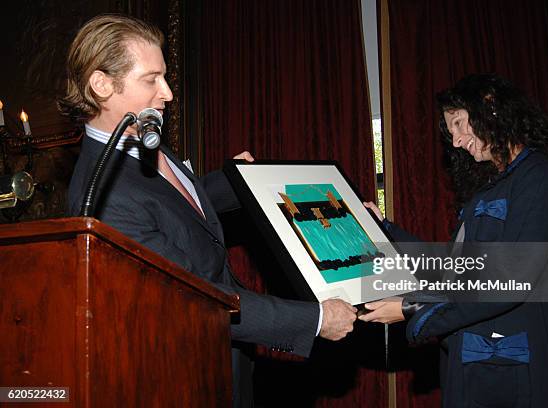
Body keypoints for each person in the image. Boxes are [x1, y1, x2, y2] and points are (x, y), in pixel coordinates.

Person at [60, 14, 356, 407]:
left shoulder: (137, 135)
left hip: (224, 359)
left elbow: (174, 209)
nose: (166, 92)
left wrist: (237, 181)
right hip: (190, 373)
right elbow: (197, 297)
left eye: (164, 77)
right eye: (150, 79)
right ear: (101, 86)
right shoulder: (103, 197)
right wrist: (315, 320)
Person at [360, 74, 548, 407]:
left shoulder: (542, 178)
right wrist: (385, 230)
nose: (455, 141)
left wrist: (412, 309)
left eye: (458, 123)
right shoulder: (489, 189)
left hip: (521, 372)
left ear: (489, 106)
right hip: (476, 364)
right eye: (450, 131)